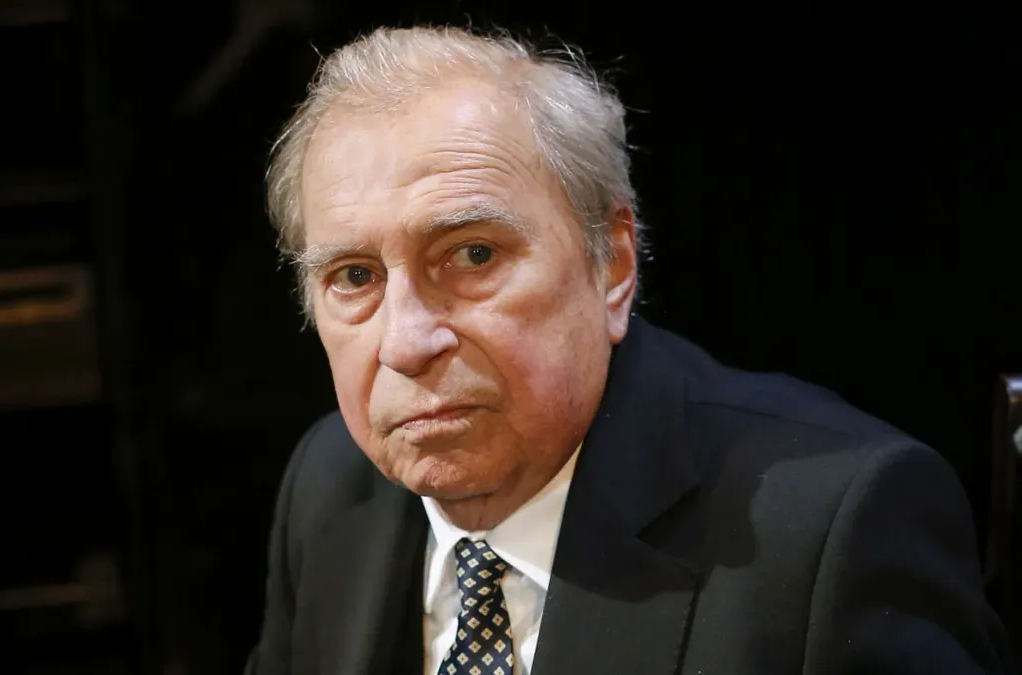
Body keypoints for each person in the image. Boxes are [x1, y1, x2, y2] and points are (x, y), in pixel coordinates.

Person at [246, 24, 1014, 675]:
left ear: (612, 266)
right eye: (354, 276)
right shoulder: (331, 484)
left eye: (473, 255)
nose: (407, 341)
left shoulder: (834, 529)